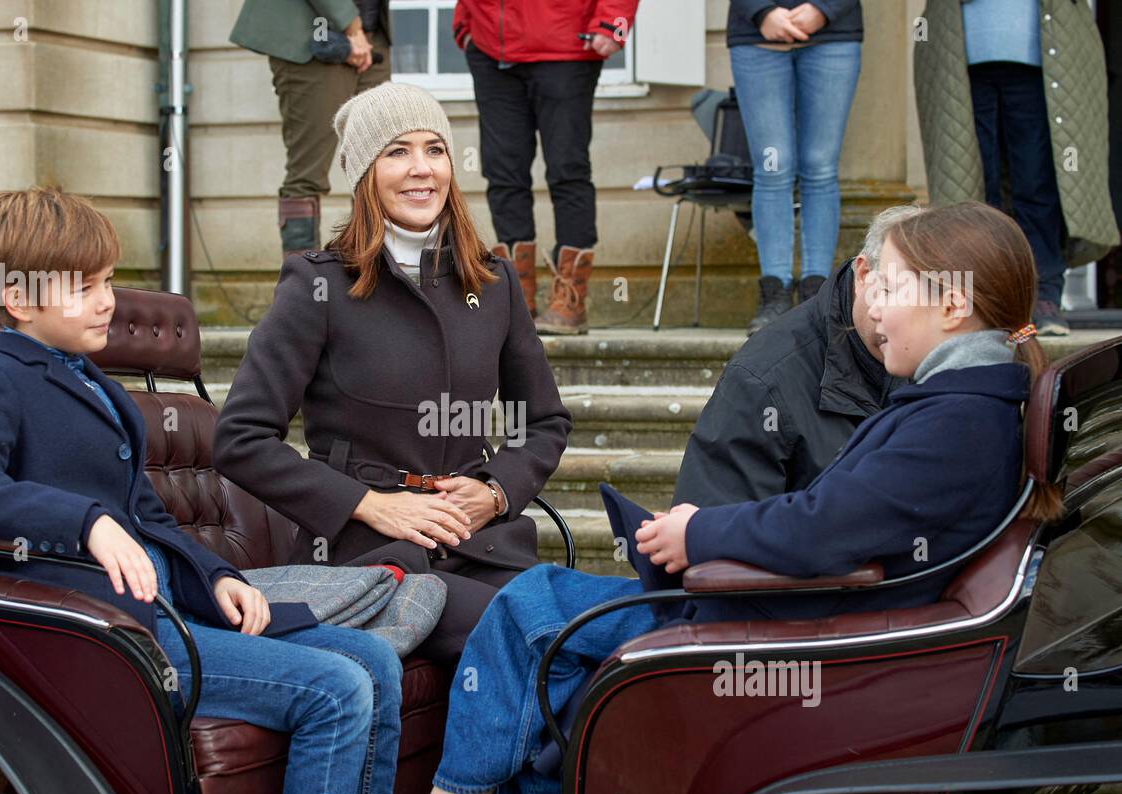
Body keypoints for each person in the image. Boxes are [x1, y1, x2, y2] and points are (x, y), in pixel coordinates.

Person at [410, 201, 1063, 794]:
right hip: (826, 622)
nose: (877, 308)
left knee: (530, 608)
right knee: (546, 647)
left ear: (953, 306)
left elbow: (822, 529)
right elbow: (836, 519)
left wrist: (695, 533)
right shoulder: (969, 402)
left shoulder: (953, 421)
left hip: (799, 633)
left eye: (893, 289)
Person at [0, 187, 403, 794]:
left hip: (172, 611)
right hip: (106, 636)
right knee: (336, 689)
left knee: (375, 660)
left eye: (109, 281)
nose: (106, 301)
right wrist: (86, 522)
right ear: (19, 301)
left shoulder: (96, 384)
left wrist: (221, 576)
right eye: (83, 287)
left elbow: (150, 518)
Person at [212, 82, 572, 666]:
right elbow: (240, 439)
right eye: (397, 152)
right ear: (365, 174)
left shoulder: (494, 281)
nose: (420, 170)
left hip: (482, 544)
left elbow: (545, 421)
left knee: (594, 629)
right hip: (368, 555)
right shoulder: (316, 285)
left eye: (435, 150)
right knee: (527, 639)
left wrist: (496, 491)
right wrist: (370, 504)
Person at [673, 203, 920, 507]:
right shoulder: (763, 378)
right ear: (864, 273)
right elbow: (716, 525)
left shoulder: (950, 356)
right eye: (894, 294)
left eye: (923, 305)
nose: (906, 320)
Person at [915, 0, 1119, 337]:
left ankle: (1045, 296)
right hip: (960, 61)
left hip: (1041, 61)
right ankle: (981, 298)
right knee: (973, 192)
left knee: (1038, 181)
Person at [452, 0, 640, 334]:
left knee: (568, 172)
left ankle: (570, 300)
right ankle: (516, 298)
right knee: (501, 172)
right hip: (490, 49)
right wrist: (464, 23)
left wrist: (614, 21)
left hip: (565, 46)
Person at [726, 1, 864, 334]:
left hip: (834, 36)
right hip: (756, 38)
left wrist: (824, 8)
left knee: (820, 168)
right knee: (773, 167)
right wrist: (762, 11)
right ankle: (775, 295)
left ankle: (817, 294)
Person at [230, 0, 392, 256]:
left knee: (378, 170)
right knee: (307, 175)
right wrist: (353, 28)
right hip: (312, 38)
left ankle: (374, 282)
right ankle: (304, 287)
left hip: (373, 38)